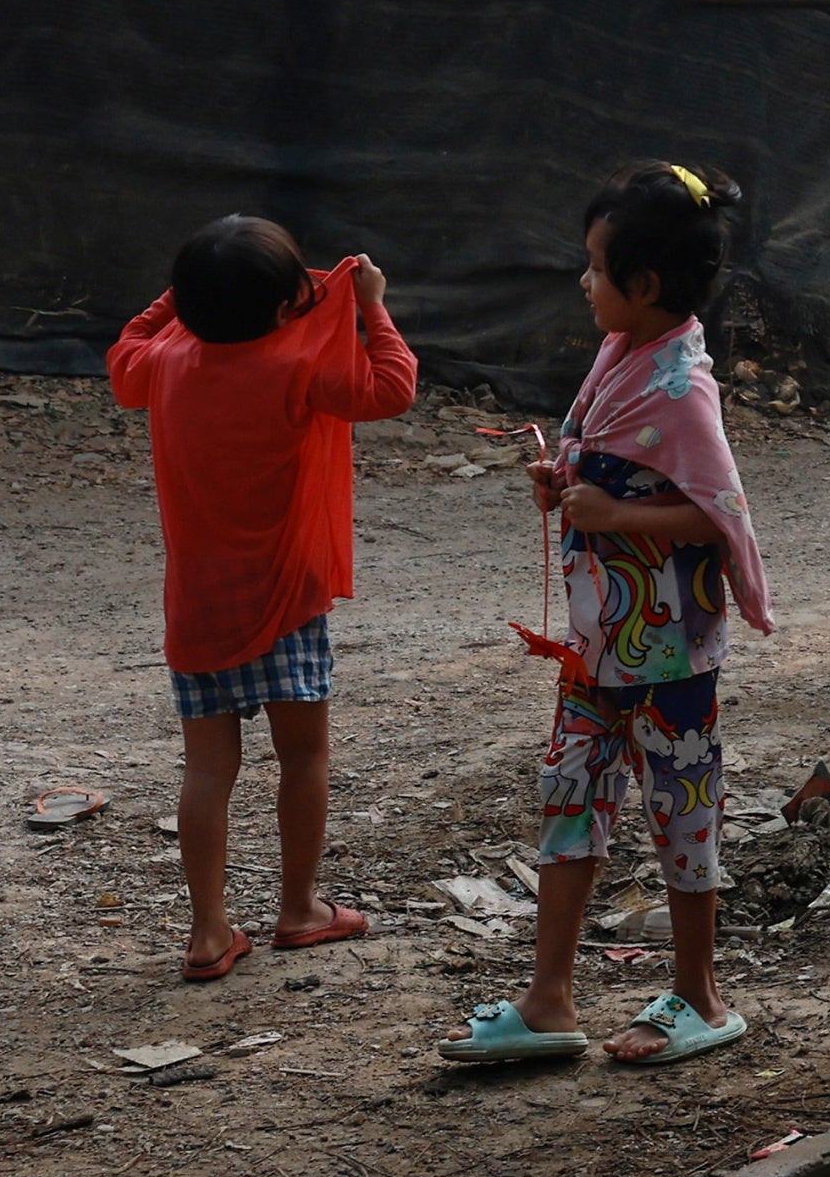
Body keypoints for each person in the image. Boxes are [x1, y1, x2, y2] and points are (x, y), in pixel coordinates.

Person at [442, 164, 773, 1067]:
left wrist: (616, 513)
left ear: (646, 285)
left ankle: (701, 993)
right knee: (570, 794)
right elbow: (614, 463)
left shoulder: (681, 390)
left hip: (669, 651)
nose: (583, 283)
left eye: (594, 267)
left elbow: (719, 511)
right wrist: (569, 482)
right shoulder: (623, 362)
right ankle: (548, 997)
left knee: (682, 810)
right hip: (597, 645)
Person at [109, 218, 418, 984]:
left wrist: (170, 302)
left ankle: (208, 930)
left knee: (208, 768)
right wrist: (370, 306)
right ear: (286, 309)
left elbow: (124, 356)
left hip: (200, 601)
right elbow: (393, 386)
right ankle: (300, 907)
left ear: (189, 302)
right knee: (303, 752)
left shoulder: (167, 359)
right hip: (288, 592)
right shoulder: (301, 362)